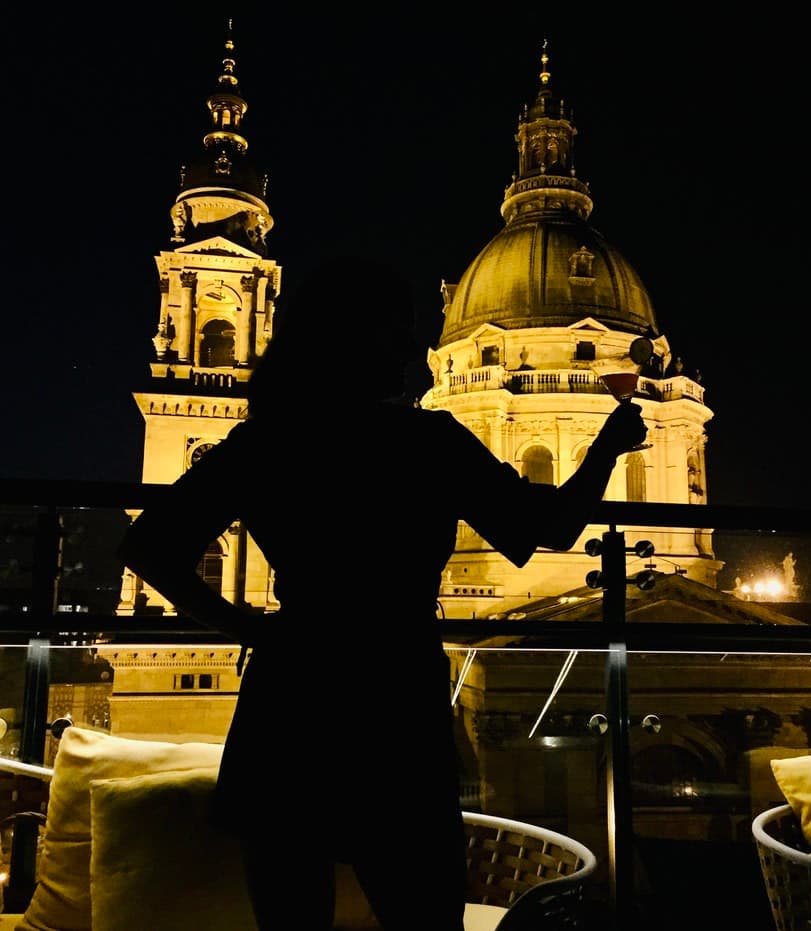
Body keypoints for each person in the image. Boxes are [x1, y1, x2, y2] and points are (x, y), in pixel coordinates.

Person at [117, 254, 647, 930]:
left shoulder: (267, 442)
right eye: (395, 328)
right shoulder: (424, 443)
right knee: (423, 910)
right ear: (356, 340)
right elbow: (553, 525)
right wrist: (606, 446)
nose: (407, 346)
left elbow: (147, 547)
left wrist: (250, 627)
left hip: (292, 697)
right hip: (394, 697)